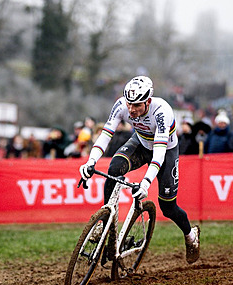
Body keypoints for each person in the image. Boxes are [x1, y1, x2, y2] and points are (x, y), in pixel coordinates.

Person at [79, 76, 200, 264]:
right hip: (140, 144)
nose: (131, 109)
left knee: (168, 207)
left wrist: (145, 183)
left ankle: (191, 235)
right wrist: (90, 161)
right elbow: (105, 135)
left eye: (136, 105)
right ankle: (105, 223)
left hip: (165, 151)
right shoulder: (121, 105)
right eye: (129, 104)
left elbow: (159, 154)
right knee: (114, 169)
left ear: (148, 101)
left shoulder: (162, 111)